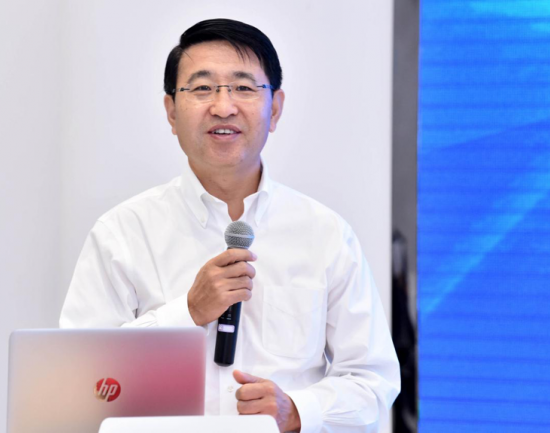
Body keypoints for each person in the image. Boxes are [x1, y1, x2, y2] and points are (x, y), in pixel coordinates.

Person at [60, 18, 400, 433]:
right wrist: (187, 312)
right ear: (171, 111)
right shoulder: (122, 233)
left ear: (275, 108)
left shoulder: (326, 234)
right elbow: (79, 382)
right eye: (202, 88)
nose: (223, 106)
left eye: (243, 87)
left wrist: (296, 410)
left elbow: (373, 380)